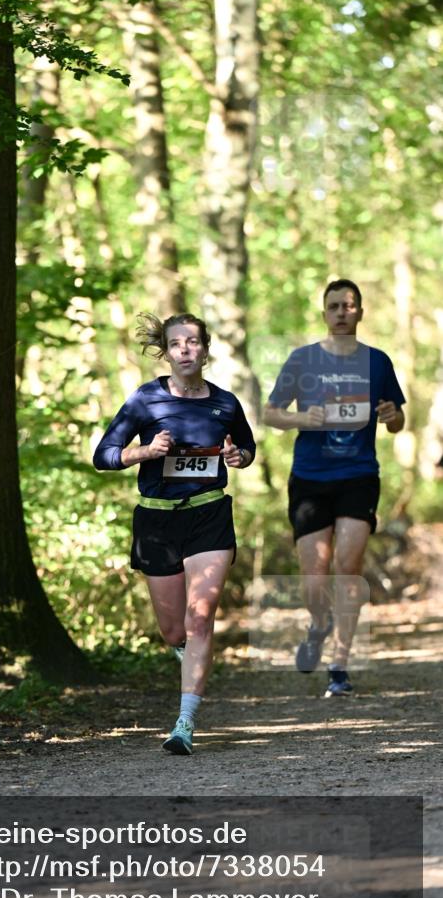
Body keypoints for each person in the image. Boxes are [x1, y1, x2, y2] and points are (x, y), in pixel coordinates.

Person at [93, 313, 256, 754]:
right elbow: (103, 455)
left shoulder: (225, 403)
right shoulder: (145, 400)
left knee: (200, 617)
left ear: (205, 349)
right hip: (157, 521)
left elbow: (247, 447)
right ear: (165, 352)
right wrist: (144, 451)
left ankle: (185, 722)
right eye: (176, 343)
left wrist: (237, 455)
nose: (185, 349)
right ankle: (190, 662)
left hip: (208, 516)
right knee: (172, 630)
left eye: (193, 342)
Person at [263, 279, 405, 696]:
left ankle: (338, 667)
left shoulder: (378, 362)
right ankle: (319, 623)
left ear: (361, 311)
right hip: (310, 478)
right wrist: (305, 419)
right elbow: (271, 414)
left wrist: (391, 414)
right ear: (323, 314)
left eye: (349, 305)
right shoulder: (302, 360)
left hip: (359, 475)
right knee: (314, 577)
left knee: (348, 566)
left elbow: (397, 422)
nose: (341, 312)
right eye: (333, 306)